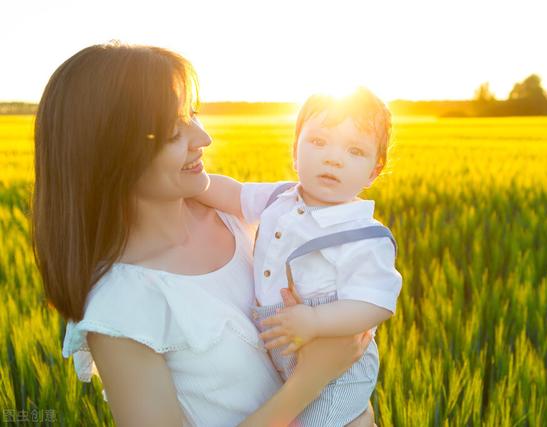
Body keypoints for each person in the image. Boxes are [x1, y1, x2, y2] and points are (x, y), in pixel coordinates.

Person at [32, 41, 374, 426]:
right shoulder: (120, 308)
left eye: (192, 114)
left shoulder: (234, 216)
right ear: (110, 152)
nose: (202, 138)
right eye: (171, 132)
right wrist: (311, 379)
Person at [194, 87, 402, 426]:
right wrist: (193, 185)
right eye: (319, 142)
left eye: (354, 150)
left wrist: (316, 321)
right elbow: (234, 193)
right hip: (284, 351)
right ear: (295, 151)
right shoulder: (280, 197)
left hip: (336, 368)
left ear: (373, 172)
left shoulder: (365, 235)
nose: (334, 158)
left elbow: (376, 303)